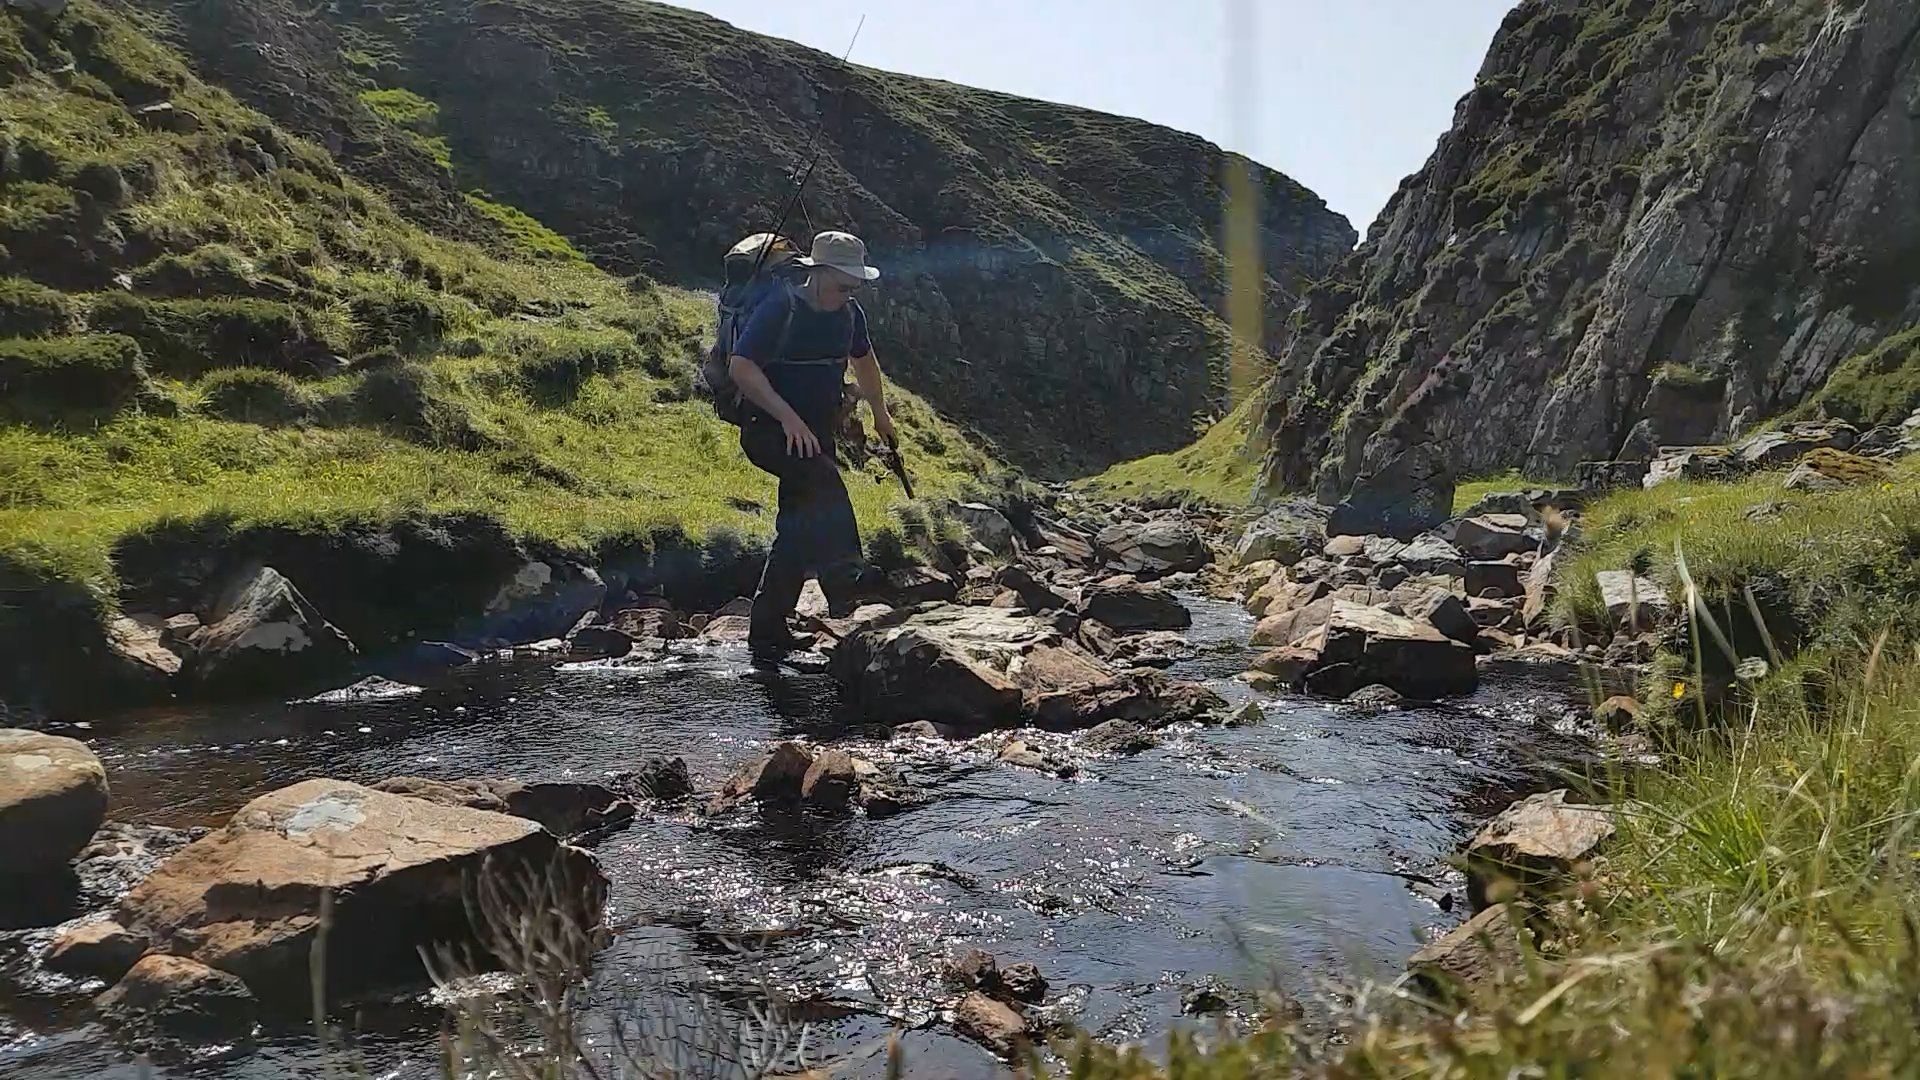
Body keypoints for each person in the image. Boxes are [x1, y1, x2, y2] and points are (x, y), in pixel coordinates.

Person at [727, 230, 895, 664]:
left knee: (798, 526)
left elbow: (865, 362)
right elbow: (742, 367)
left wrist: (880, 413)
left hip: (814, 432)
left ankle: (767, 630)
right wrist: (787, 417)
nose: (849, 293)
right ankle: (845, 578)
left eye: (854, 285)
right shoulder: (781, 307)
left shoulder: (849, 314)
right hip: (767, 427)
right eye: (843, 284)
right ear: (817, 273)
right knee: (823, 478)